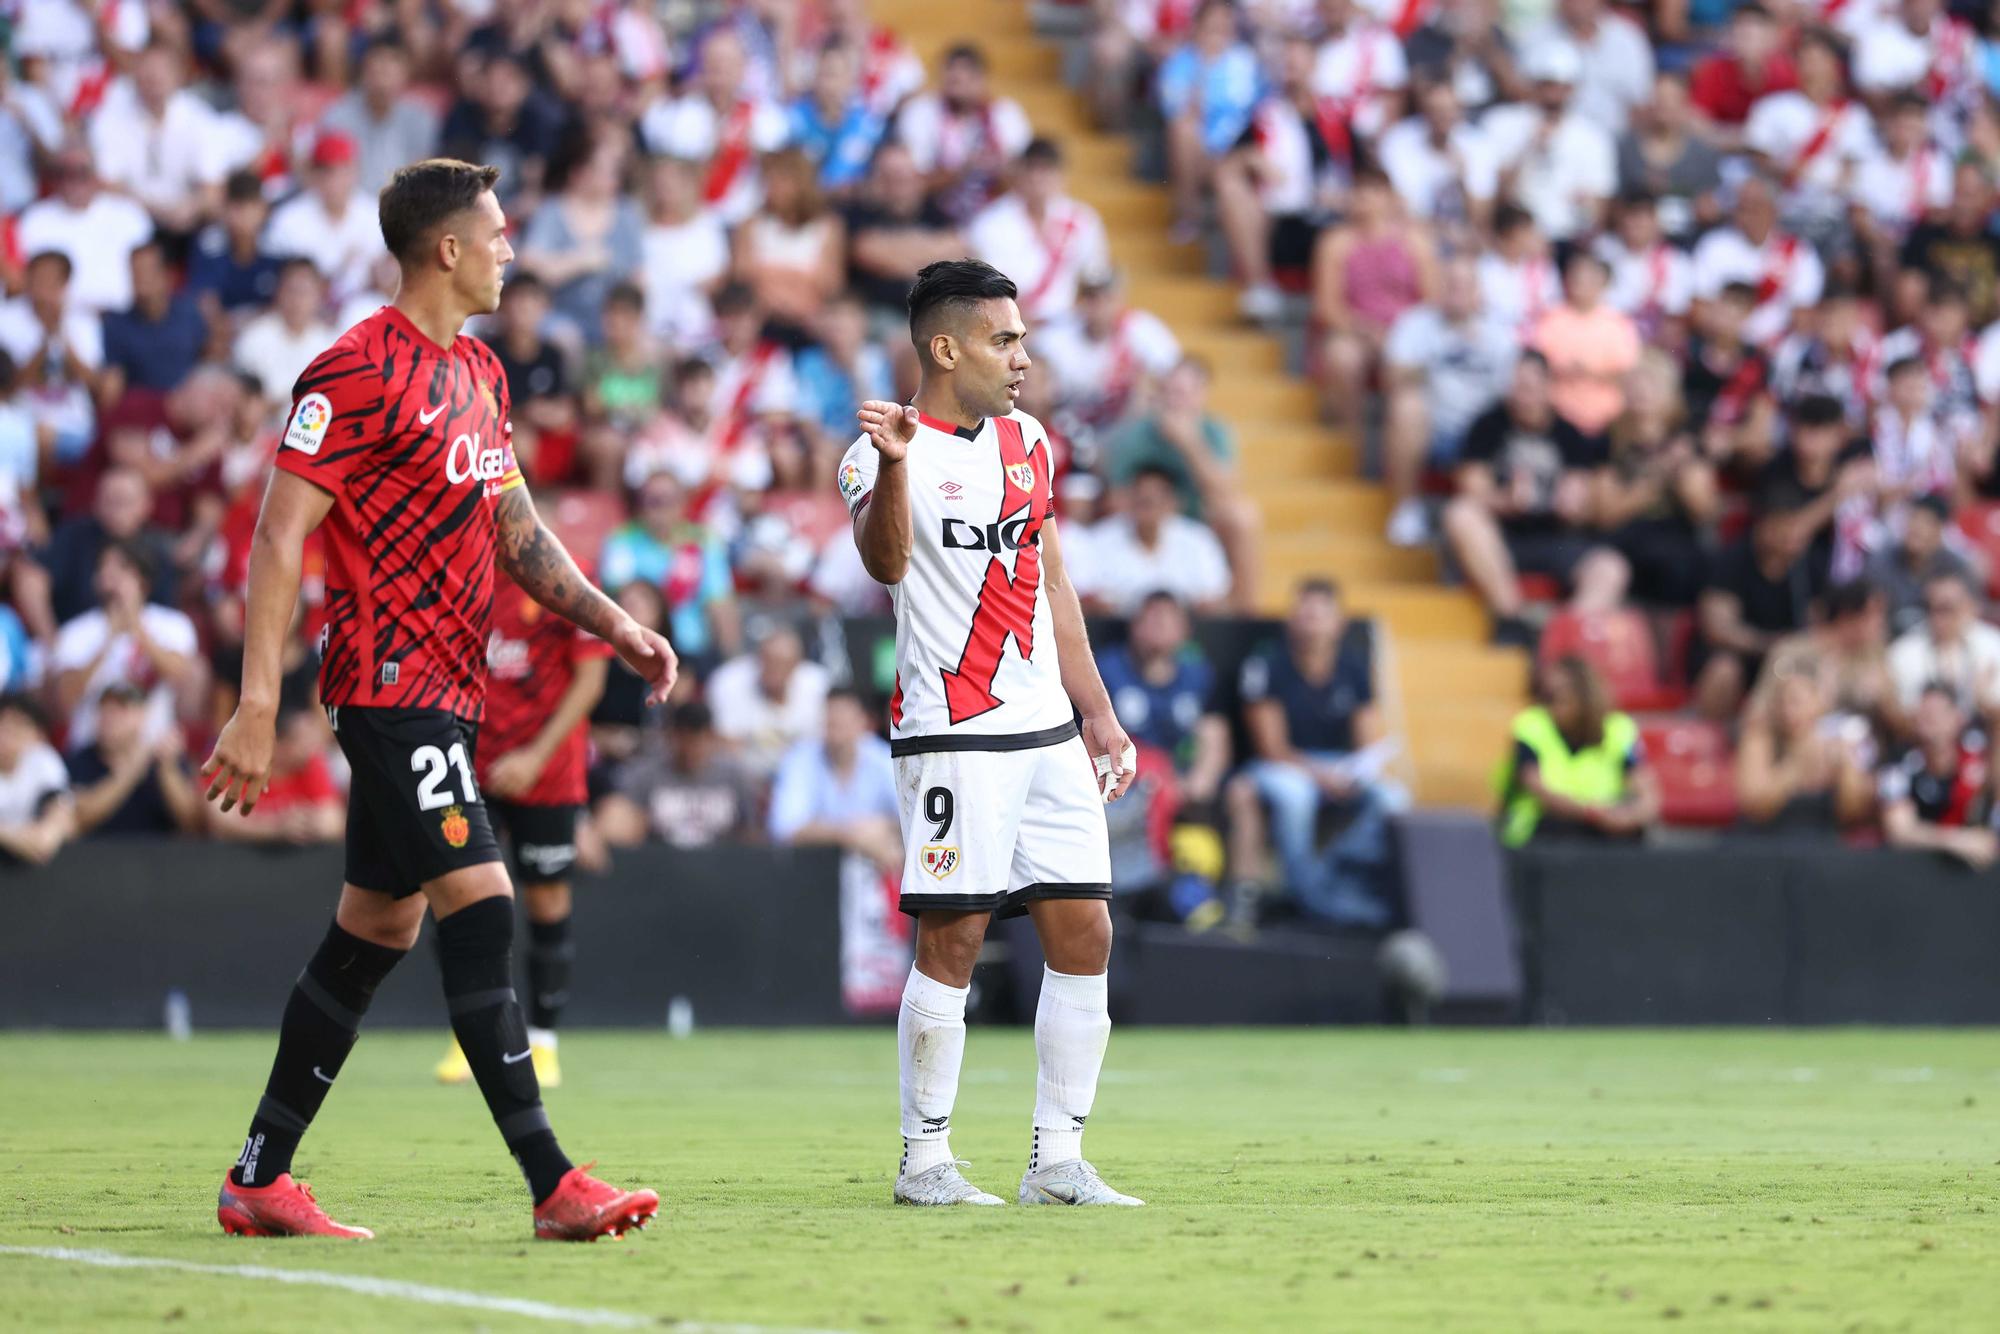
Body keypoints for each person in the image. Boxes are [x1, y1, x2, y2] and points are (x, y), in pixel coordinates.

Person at [199, 159, 674, 1242]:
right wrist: (258, 702)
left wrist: (612, 623)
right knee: (484, 899)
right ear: (447, 248)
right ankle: (553, 1180)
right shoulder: (354, 370)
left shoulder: (481, 375)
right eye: (498, 233)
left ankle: (258, 1175)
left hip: (447, 691)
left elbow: (517, 532)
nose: (513, 248)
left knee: (374, 927)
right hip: (387, 680)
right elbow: (280, 533)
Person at [840, 259, 1143, 1207]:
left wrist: (1096, 711)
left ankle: (1058, 1160)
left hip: (1045, 726)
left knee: (1085, 930)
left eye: (1021, 339)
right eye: (1004, 339)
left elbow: (1051, 583)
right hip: (954, 728)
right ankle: (923, 1160)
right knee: (956, 939)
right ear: (945, 346)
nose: (1023, 357)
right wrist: (894, 466)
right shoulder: (878, 449)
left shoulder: (1029, 441)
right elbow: (885, 563)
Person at [433, 573, 612, 1091]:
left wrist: (534, 758)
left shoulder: (565, 575)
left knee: (548, 903)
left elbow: (591, 681)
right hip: (470, 766)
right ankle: (470, 1039)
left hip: (548, 772)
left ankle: (544, 1043)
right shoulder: (459, 572)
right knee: (457, 900)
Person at [1225, 579, 1401, 928]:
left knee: (1394, 797)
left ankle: (1336, 869)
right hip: (1279, 765)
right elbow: (1271, 748)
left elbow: (1367, 742)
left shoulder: (1353, 668)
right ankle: (1305, 894)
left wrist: (1355, 773)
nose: (1311, 621)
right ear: (1291, 619)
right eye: (1304, 613)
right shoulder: (1268, 664)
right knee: (1296, 795)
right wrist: (1322, 775)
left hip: (1336, 763)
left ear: (1340, 623)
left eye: (1321, 614)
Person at [1440, 352, 1629, 646]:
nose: (1523, 394)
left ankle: (1559, 638)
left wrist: (1575, 507)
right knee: (1460, 514)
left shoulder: (1570, 434)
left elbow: (1588, 499)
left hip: (1556, 537)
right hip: (1502, 536)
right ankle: (1511, 616)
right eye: (1517, 385)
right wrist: (1504, 501)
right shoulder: (1488, 424)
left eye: (1530, 385)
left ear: (1548, 386)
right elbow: (1471, 486)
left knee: (1611, 568)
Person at [1498, 655, 1660, 847]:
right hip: (1542, 829)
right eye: (1546, 695)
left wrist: (1630, 816)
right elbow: (1536, 785)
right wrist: (1593, 814)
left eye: (1557, 696)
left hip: (1602, 827)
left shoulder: (1619, 729)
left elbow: (1646, 790)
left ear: (1585, 696)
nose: (1549, 704)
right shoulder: (1532, 725)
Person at [1735, 661, 1873, 836]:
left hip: (1820, 842)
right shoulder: (1761, 738)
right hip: (1764, 841)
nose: (1787, 711)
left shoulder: (1838, 740)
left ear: (1820, 702)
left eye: (1796, 702)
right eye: (1781, 702)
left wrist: (1846, 766)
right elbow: (1755, 807)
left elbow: (1854, 812)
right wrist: (1795, 766)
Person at [595, 699, 756, 848]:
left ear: (711, 738)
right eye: (685, 740)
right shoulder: (646, 774)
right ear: (672, 737)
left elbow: (751, 831)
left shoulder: (734, 776)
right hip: (660, 864)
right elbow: (616, 819)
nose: (692, 749)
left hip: (720, 865)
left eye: (699, 741)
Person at [1879, 684, 1996, 868]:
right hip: (1915, 871)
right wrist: (1958, 841)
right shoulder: (1898, 762)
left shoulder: (1979, 758)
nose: (1929, 721)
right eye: (1924, 713)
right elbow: (1899, 831)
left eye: (1937, 713)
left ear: (1958, 718)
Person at [67, 680, 202, 838]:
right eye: (104, 709)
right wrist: (132, 771)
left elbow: (193, 824)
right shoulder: (80, 760)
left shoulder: (166, 760)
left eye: (121, 709)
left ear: (143, 715)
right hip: (94, 857)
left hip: (160, 858)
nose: (109, 717)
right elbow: (78, 817)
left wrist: (167, 769)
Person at [1887, 568, 2000, 716]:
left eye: (1947, 608)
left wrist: (1985, 703)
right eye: (1930, 608)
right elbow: (1900, 715)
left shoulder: (1993, 645)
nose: (1938, 618)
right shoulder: (1903, 652)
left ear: (1970, 607)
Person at [0, 693, 72, 865]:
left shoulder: (42, 759)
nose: (7, 735)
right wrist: (13, 838)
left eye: (18, 727)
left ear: (36, 734)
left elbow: (60, 810)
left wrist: (47, 835)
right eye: (3, 726)